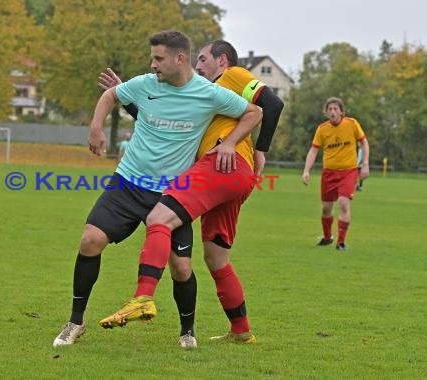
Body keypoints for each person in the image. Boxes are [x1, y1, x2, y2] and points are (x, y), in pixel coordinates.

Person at [53, 30, 262, 349]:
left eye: (158, 58)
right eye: (152, 58)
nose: (153, 65)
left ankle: (186, 331)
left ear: (180, 59)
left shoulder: (208, 93)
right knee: (89, 241)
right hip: (128, 182)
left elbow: (254, 112)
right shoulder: (144, 84)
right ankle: (75, 322)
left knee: (181, 268)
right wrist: (95, 127)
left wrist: (231, 144)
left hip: (172, 193)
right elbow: (111, 95)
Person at [98, 40, 284, 346]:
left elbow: (271, 105)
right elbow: (160, 118)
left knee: (159, 216)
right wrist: (127, 95)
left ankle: (143, 296)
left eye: (203, 59)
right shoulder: (205, 97)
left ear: (222, 61)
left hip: (223, 164)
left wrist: (257, 149)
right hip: (234, 179)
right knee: (216, 257)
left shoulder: (232, 76)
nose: (198, 66)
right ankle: (241, 331)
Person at [302, 97, 369, 250]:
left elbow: (364, 142)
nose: (332, 112)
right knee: (326, 208)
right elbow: (313, 150)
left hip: (348, 172)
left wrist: (365, 164)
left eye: (335, 109)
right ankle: (327, 237)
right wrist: (306, 170)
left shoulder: (351, 124)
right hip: (329, 173)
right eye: (330, 109)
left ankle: (341, 242)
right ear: (326, 112)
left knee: (343, 203)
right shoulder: (322, 129)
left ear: (341, 111)